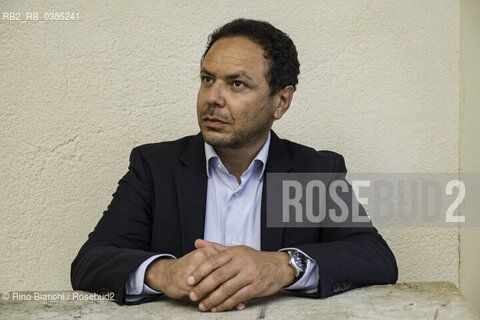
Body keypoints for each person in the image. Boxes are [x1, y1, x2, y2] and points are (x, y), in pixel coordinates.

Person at [71, 18, 398, 312]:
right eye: (207, 79)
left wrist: (281, 267)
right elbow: (90, 261)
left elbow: (375, 257)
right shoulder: (156, 167)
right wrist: (163, 272)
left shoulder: (311, 171)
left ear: (280, 101)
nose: (213, 97)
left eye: (237, 84)